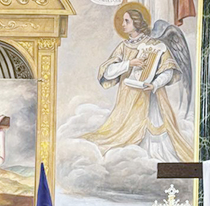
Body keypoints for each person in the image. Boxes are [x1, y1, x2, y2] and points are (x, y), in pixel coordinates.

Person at [82, 5, 193, 162]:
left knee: (157, 139)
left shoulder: (155, 44)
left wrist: (155, 84)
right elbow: (107, 72)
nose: (123, 24)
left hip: (152, 96)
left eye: (126, 21)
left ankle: (152, 161)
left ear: (136, 23)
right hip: (128, 98)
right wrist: (129, 63)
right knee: (120, 135)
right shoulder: (123, 47)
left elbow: (168, 70)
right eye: (123, 21)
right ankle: (134, 160)